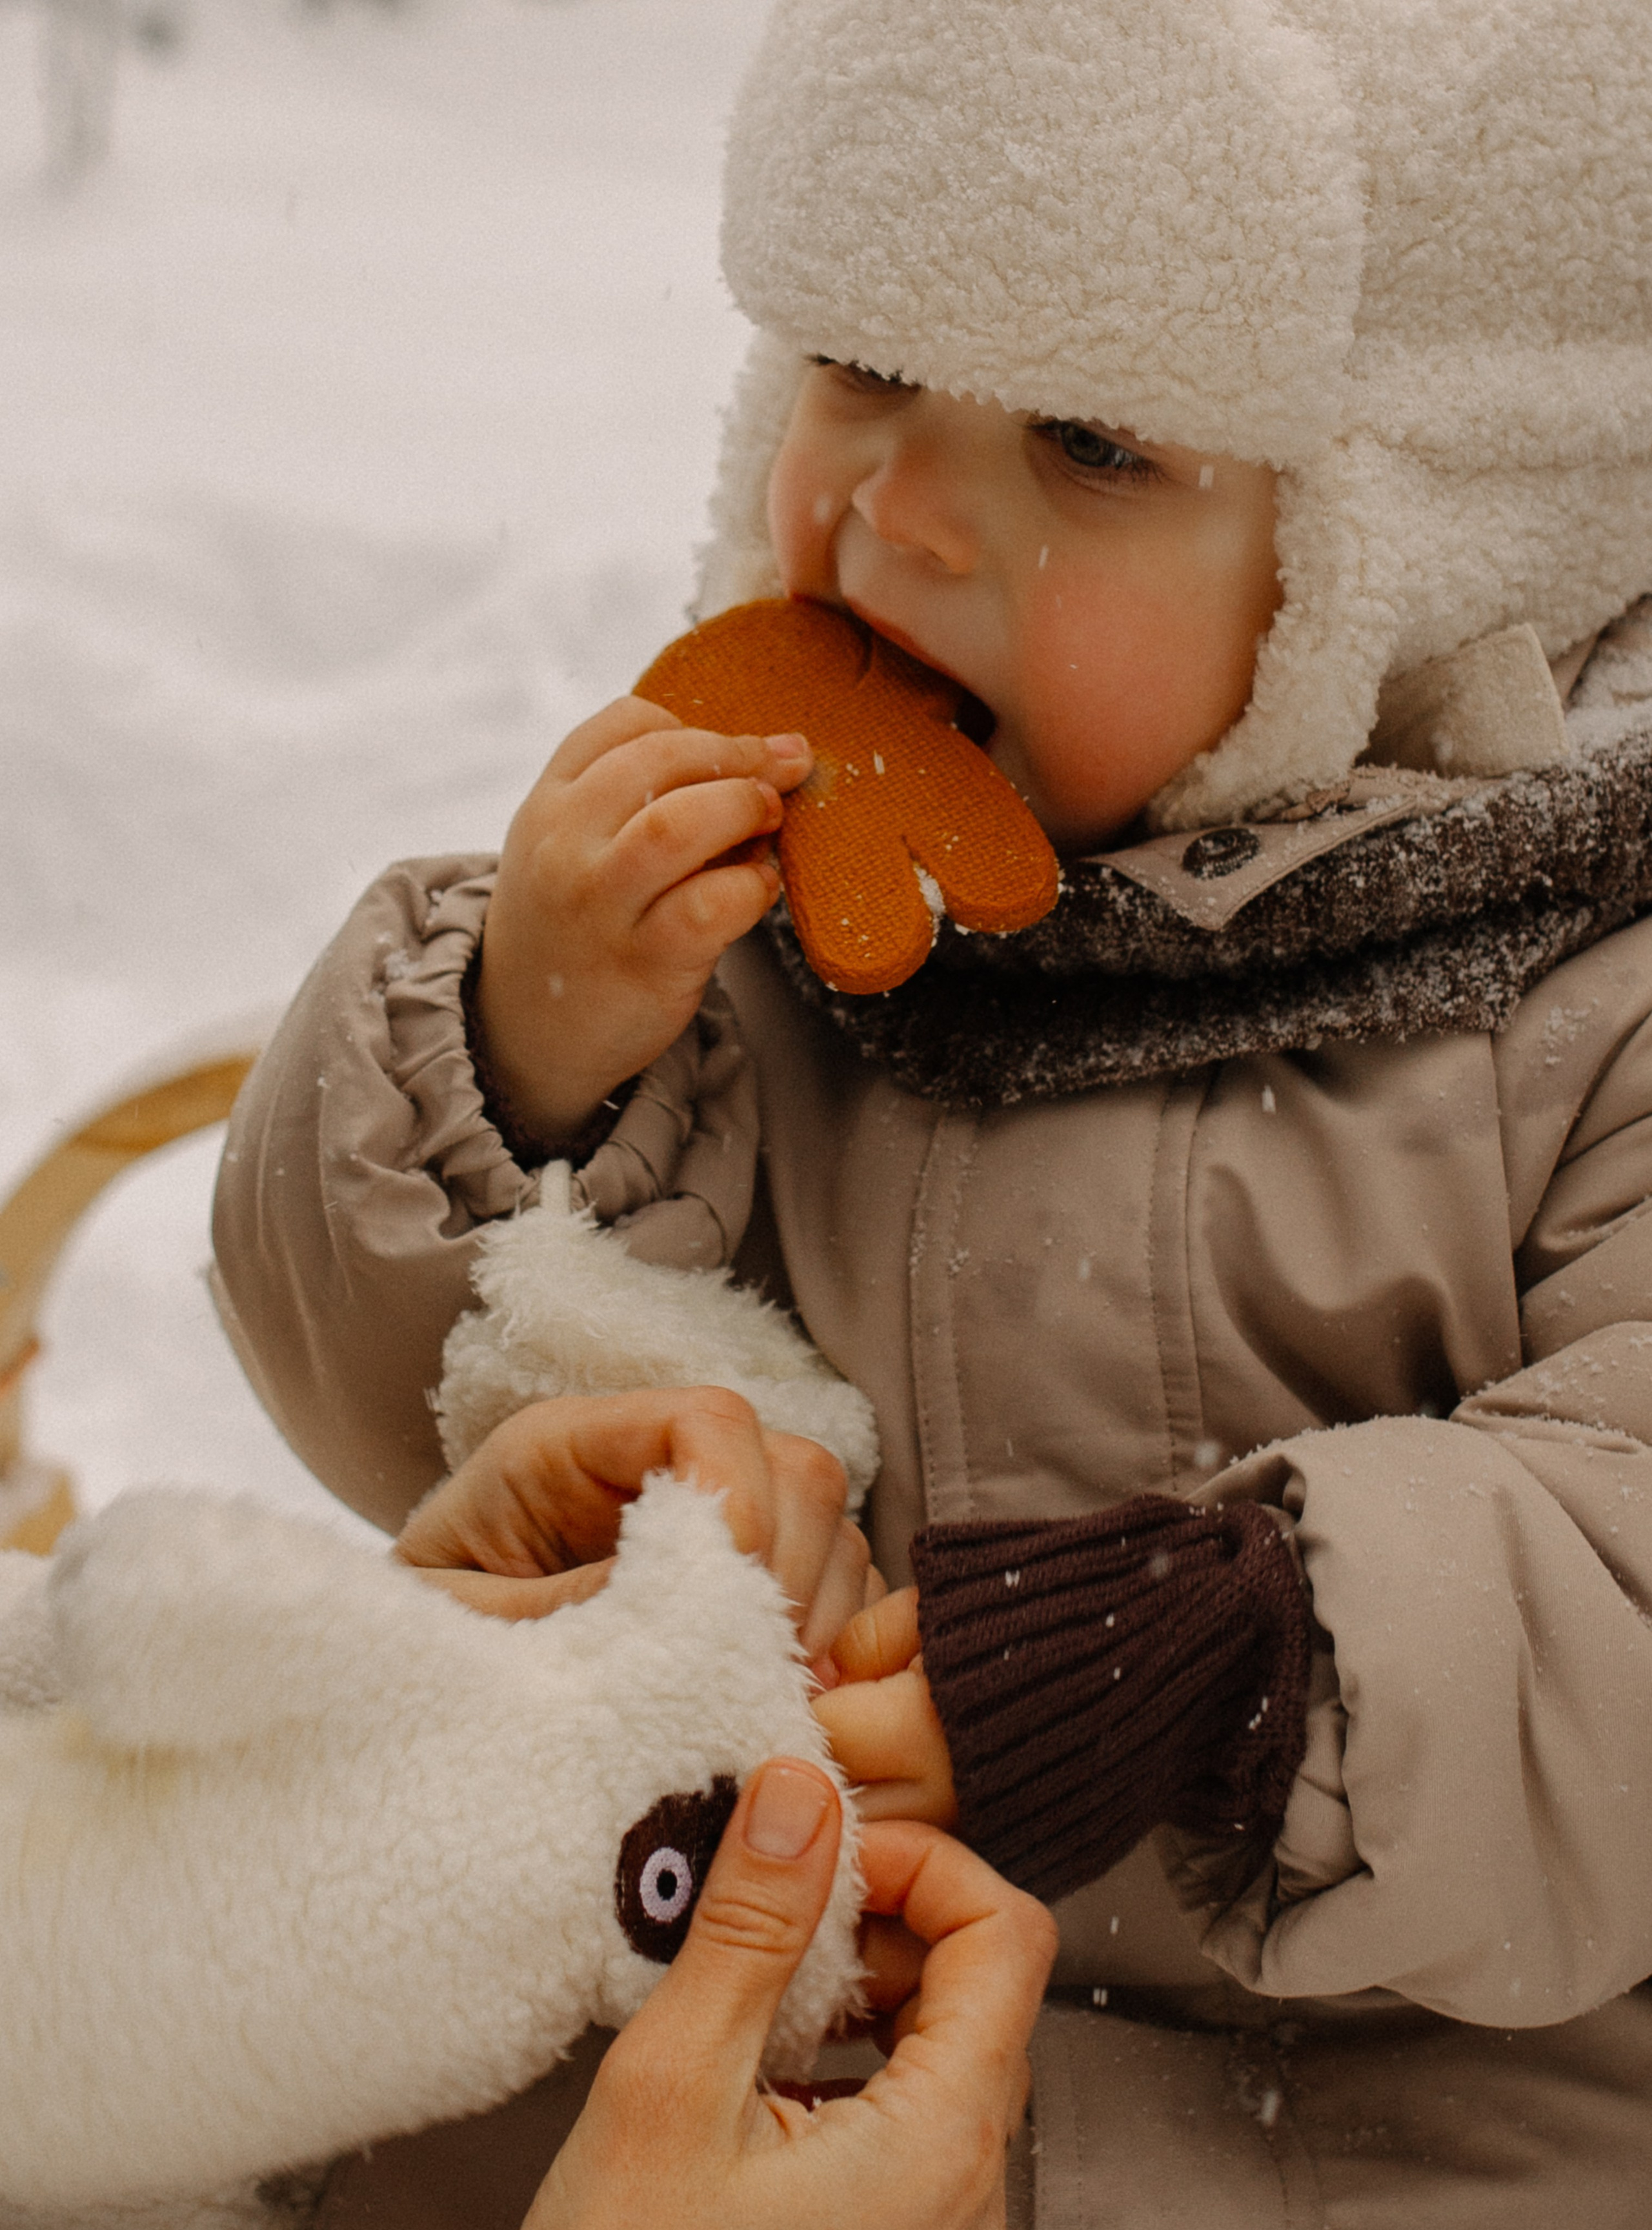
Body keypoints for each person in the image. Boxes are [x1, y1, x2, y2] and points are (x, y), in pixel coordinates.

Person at [214, 0, 1652, 2218]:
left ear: (1415, 549)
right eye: (863, 368)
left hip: (1404, 2112)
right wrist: (515, 1059)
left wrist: (1258, 1663)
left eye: (1094, 438)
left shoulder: (1591, 987)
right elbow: (401, 1436)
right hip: (757, 2024)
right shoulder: (762, 938)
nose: (898, 510)